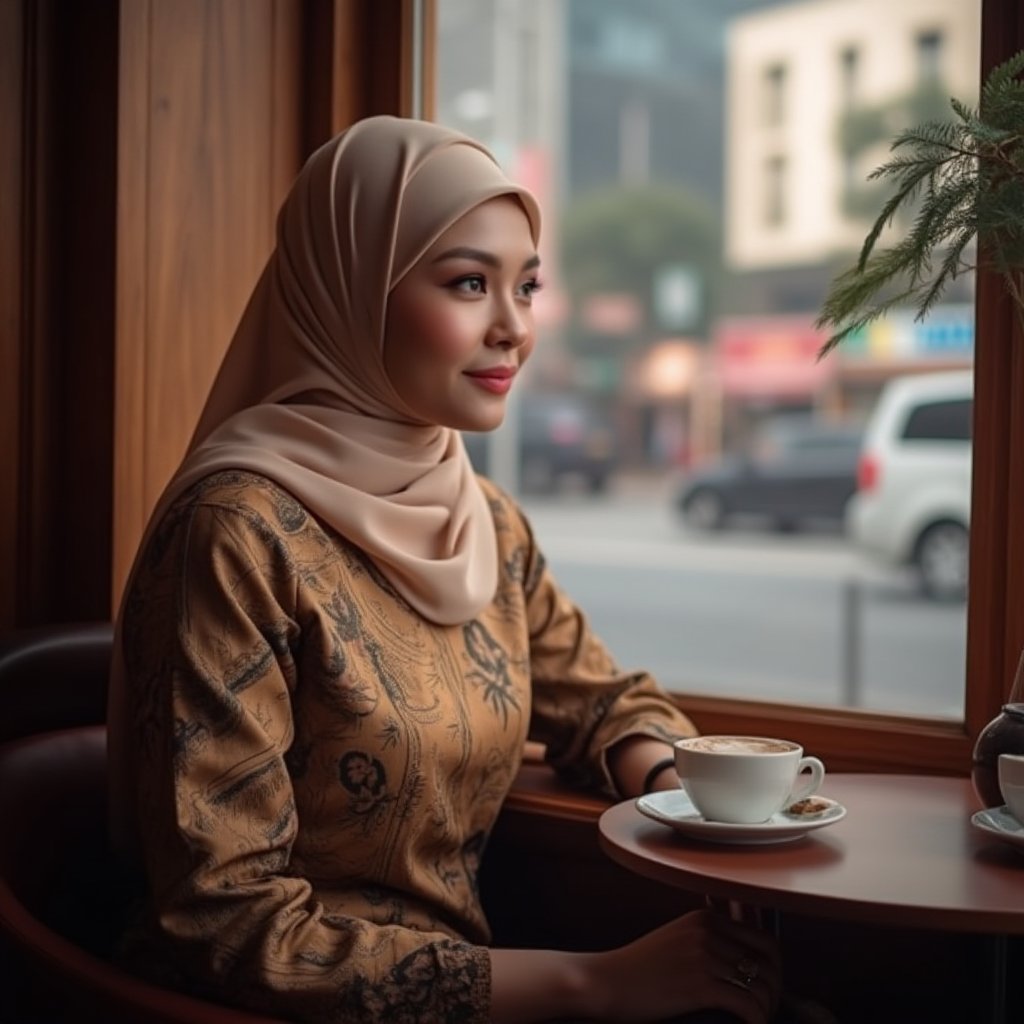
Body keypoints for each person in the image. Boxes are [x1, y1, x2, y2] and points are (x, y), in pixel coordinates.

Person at [107, 115, 787, 1024]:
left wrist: (679, 792)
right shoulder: (235, 532)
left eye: (529, 287)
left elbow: (602, 700)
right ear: (349, 291)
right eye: (469, 283)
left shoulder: (485, 521)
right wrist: (601, 984)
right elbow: (223, 924)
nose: (514, 329)